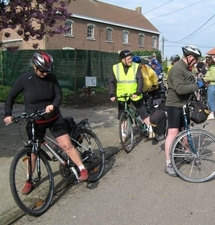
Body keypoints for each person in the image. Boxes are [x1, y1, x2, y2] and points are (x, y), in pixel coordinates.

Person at [3, 51, 88, 195]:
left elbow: (58, 94)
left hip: (54, 118)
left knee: (66, 145)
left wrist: (53, 105)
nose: (45, 73)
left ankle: (82, 169)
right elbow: (11, 96)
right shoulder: (25, 79)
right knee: (32, 153)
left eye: (47, 70)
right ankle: (30, 180)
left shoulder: (51, 78)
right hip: (35, 121)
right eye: (42, 70)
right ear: (35, 66)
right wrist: (8, 114)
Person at [164, 45, 203, 176]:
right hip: (174, 104)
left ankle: (186, 154)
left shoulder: (186, 69)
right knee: (173, 132)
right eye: (195, 58)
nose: (196, 61)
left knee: (186, 131)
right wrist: (196, 86)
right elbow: (180, 89)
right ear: (190, 57)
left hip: (184, 104)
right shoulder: (177, 69)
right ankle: (168, 163)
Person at [108, 50, 154, 139]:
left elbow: (140, 79)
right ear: (122, 59)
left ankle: (150, 128)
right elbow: (111, 81)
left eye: (131, 58)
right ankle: (123, 134)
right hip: (122, 95)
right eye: (128, 58)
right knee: (122, 115)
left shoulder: (135, 66)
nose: (130, 60)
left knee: (142, 112)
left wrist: (138, 92)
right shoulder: (115, 68)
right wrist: (111, 93)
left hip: (134, 94)